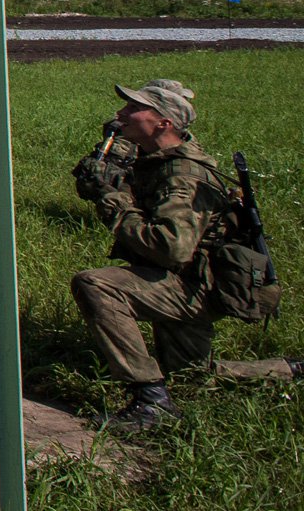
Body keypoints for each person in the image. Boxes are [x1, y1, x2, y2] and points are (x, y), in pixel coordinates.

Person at [69, 78, 298, 429]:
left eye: (134, 108)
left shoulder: (184, 177)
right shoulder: (153, 157)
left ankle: (150, 401)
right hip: (189, 280)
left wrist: (113, 201)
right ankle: (291, 370)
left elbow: (170, 248)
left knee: (97, 285)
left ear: (164, 123)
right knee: (192, 374)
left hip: (193, 287)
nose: (121, 113)